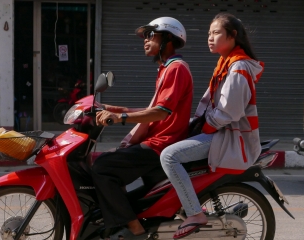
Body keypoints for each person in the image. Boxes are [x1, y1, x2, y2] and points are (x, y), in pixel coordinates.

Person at [160, 12, 264, 239]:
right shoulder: (225, 63)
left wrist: (203, 127)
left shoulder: (238, 68)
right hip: (220, 130)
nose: (210, 37)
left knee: (169, 156)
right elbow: (209, 106)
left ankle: (195, 213)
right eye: (209, 33)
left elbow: (228, 112)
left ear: (233, 36)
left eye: (216, 33)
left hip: (228, 136)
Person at [91, 17, 193, 238]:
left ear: (167, 38)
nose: (145, 41)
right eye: (144, 37)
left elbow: (160, 112)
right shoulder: (166, 69)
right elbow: (156, 109)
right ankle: (129, 217)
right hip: (158, 141)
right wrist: (114, 108)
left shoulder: (175, 69)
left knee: (102, 166)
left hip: (162, 145)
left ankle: (134, 229)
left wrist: (120, 118)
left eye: (150, 35)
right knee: (111, 161)